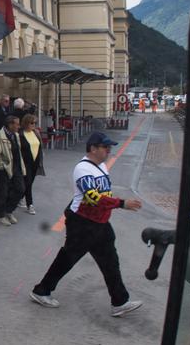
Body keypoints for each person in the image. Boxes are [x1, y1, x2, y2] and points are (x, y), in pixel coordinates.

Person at [29, 132, 145, 317]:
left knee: (110, 263)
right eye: (105, 147)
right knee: (67, 259)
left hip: (100, 224)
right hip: (82, 223)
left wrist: (110, 208)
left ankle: (120, 301)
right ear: (93, 148)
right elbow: (93, 197)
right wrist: (122, 204)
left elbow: (104, 195)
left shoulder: (101, 167)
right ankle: (41, 291)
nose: (108, 150)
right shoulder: (82, 169)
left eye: (109, 147)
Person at [0, 115, 27, 226]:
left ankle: (8, 210)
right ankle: (0, 216)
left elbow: (17, 152)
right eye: (17, 124)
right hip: (4, 169)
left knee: (21, 189)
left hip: (16, 167)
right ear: (10, 124)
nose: (19, 126)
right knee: (3, 192)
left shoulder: (15, 135)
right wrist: (2, 167)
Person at [19, 113, 46, 216]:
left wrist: (40, 158)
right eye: (31, 123)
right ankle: (30, 205)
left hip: (35, 162)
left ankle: (20, 198)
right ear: (25, 123)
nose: (34, 125)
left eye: (35, 123)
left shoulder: (36, 132)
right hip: (25, 163)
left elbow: (40, 145)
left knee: (29, 183)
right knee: (28, 183)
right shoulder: (20, 134)